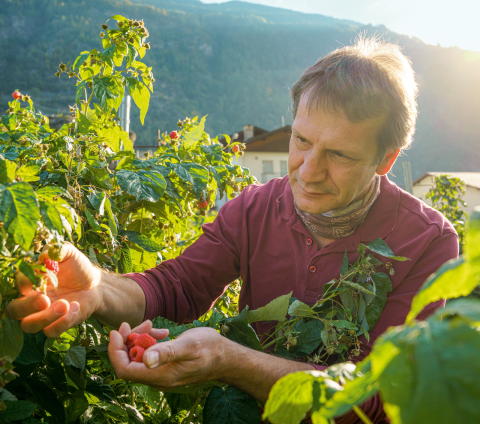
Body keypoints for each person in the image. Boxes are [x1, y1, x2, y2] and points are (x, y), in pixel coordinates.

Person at [7, 36, 458, 423]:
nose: (309, 171)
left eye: (339, 155)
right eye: (301, 141)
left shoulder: (429, 241)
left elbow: (383, 398)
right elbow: (177, 287)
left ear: (386, 160)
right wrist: (99, 289)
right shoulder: (255, 208)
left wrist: (230, 361)